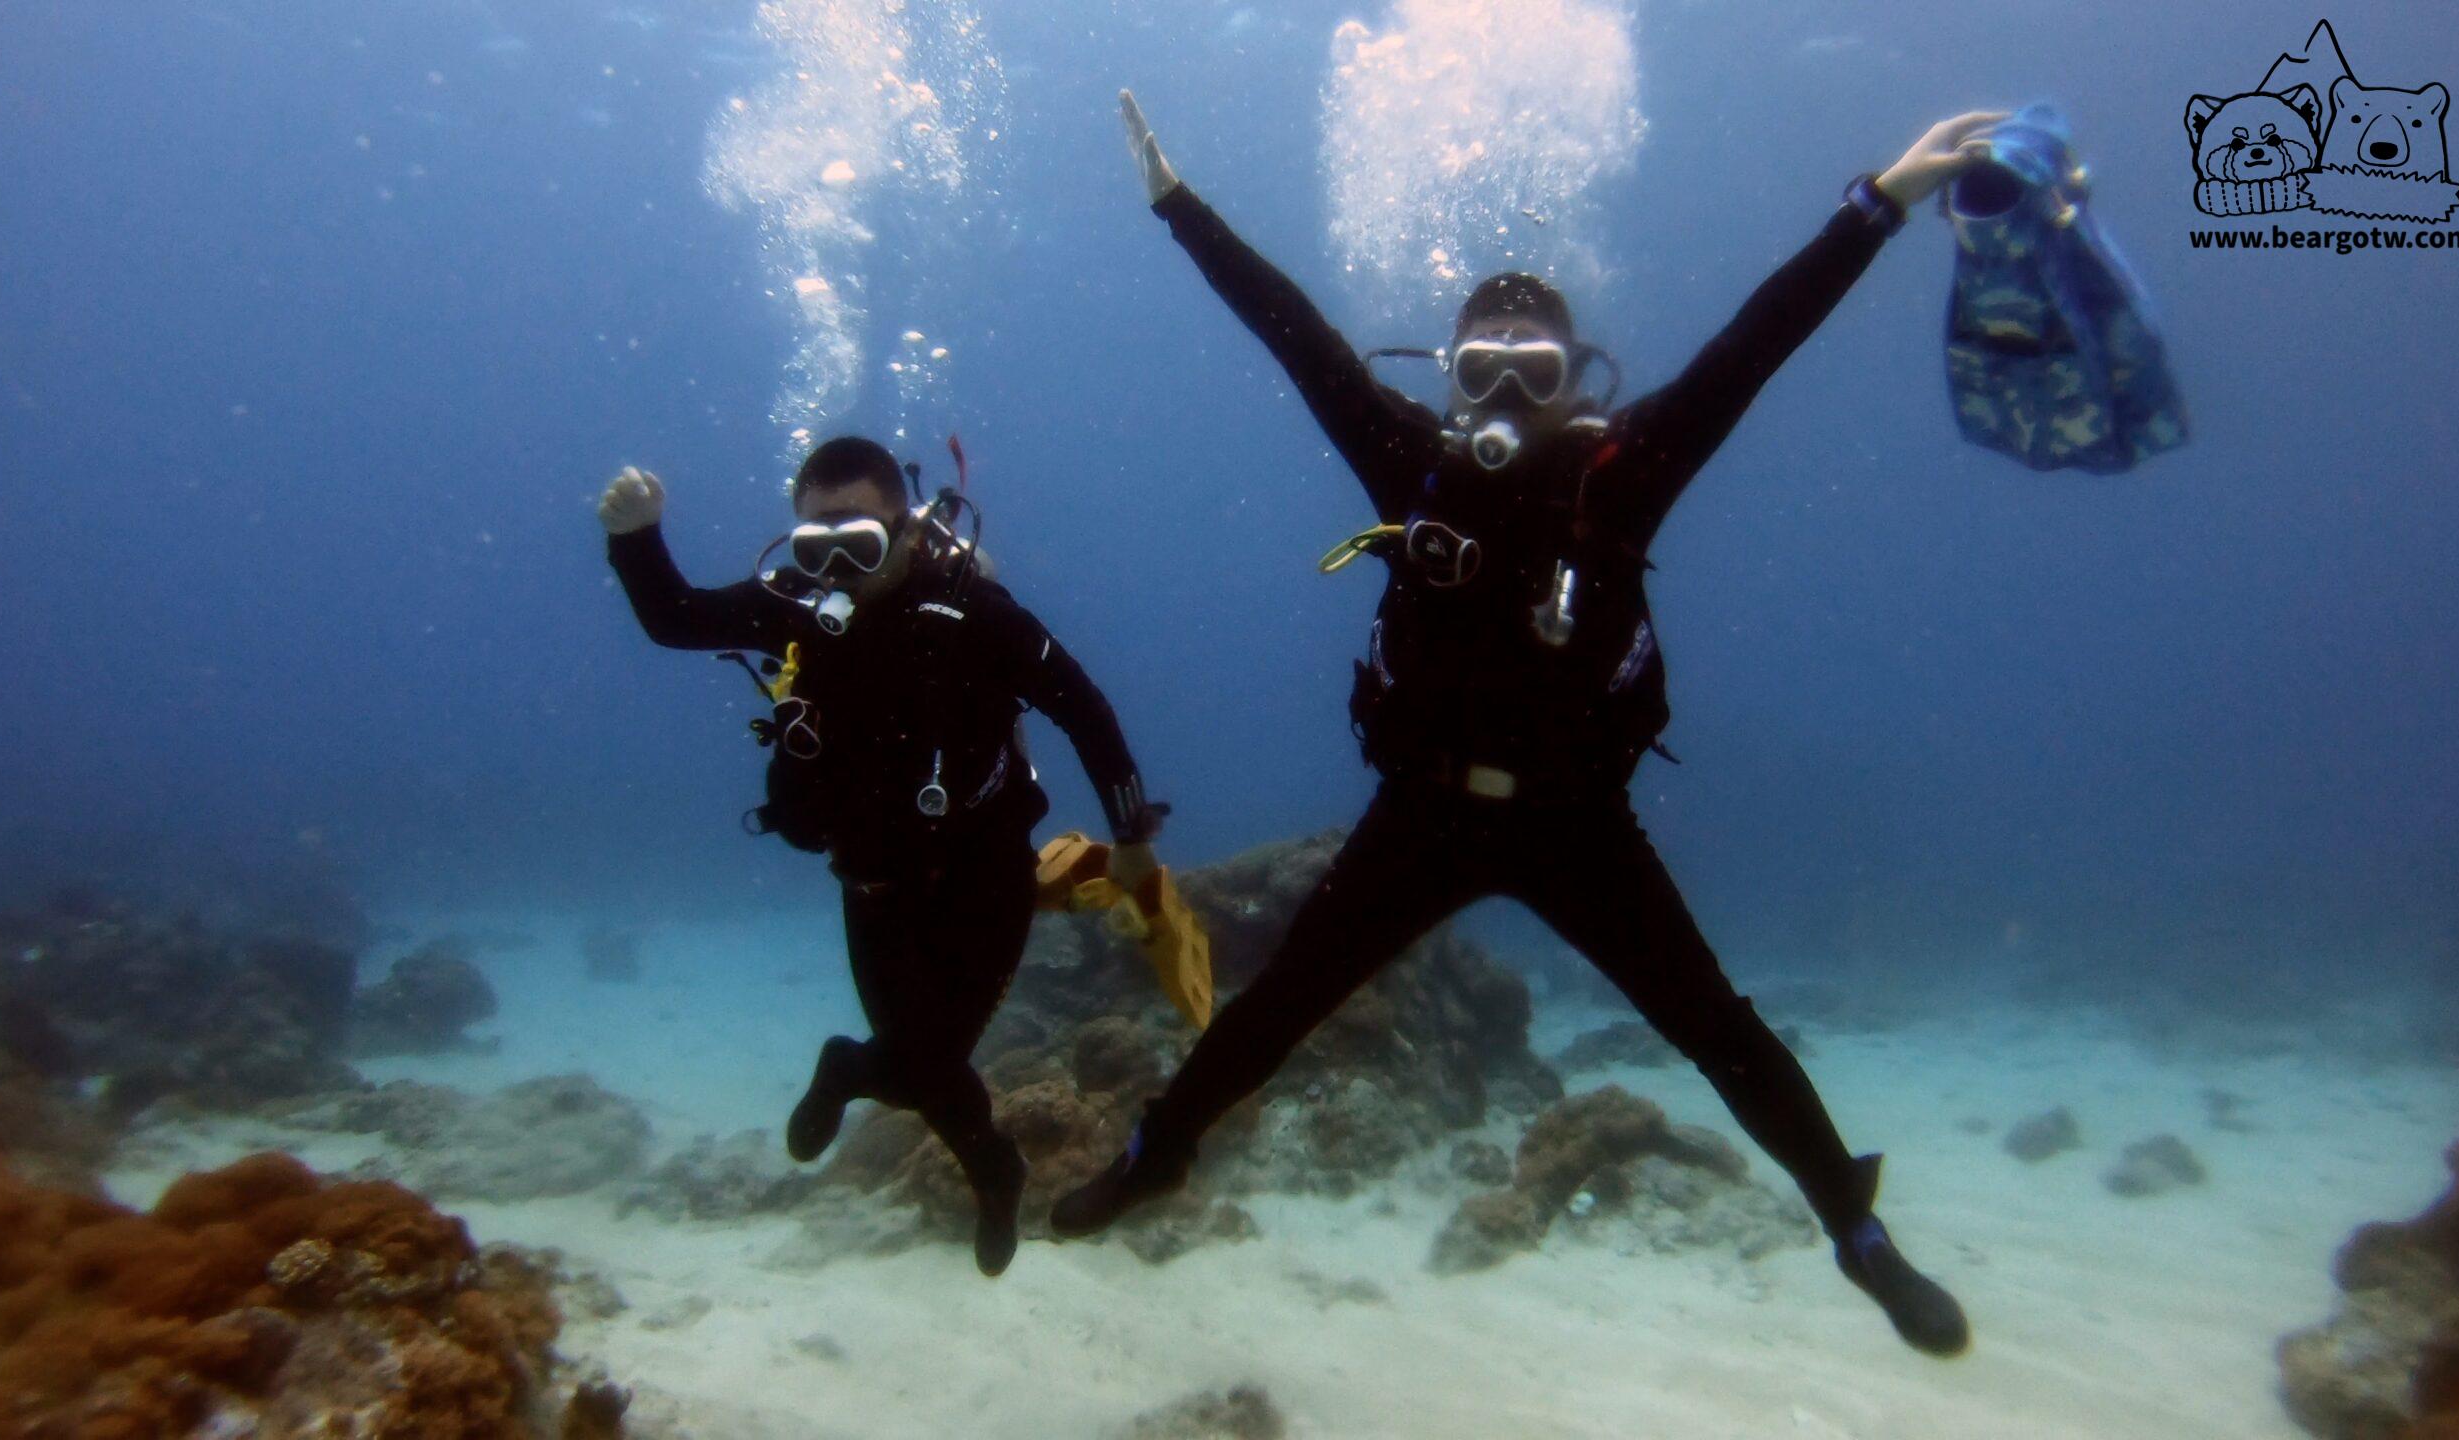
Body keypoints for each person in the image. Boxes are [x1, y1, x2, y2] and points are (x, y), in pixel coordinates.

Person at [1051, 93, 2005, 1357]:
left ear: (1575, 386)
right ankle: (1155, 1154)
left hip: (1575, 822)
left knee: (1717, 1027)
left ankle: (1856, 1232)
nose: (1503, 394)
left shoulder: (1626, 470)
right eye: (1479, 372)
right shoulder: (1409, 463)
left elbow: (1752, 346)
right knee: (1271, 1007)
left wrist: (1875, 202)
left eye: (1532, 375)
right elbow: (1300, 341)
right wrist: (1180, 208)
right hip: (1425, 814)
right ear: (1446, 382)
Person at [599, 436, 1169, 1277]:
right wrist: (636, 538)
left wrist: (1127, 841)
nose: (833, 568)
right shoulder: (789, 607)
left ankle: (854, 1074)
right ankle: (994, 1170)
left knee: (919, 1062)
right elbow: (672, 618)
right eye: (814, 543)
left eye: (857, 541)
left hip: (986, 874)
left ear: (907, 533)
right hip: (870, 880)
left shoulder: (979, 615)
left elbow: (1087, 712)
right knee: (924, 1064)